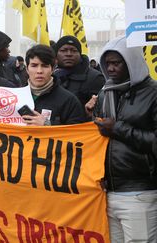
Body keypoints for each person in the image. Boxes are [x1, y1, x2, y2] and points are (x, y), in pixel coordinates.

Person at [88, 36, 157, 242]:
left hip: (140, 192)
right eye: (107, 63)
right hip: (107, 192)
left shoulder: (152, 93)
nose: (110, 69)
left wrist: (117, 128)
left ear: (132, 62)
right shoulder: (105, 93)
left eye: (116, 63)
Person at [21, 45, 86, 125]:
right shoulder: (14, 97)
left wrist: (47, 125)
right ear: (27, 69)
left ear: (53, 69)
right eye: (34, 65)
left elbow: (76, 133)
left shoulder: (69, 101)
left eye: (45, 66)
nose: (39, 71)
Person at [53, 36, 105, 109]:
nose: (69, 54)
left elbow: (101, 110)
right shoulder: (50, 76)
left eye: (74, 50)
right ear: (56, 54)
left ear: (80, 54)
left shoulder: (95, 78)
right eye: (63, 50)